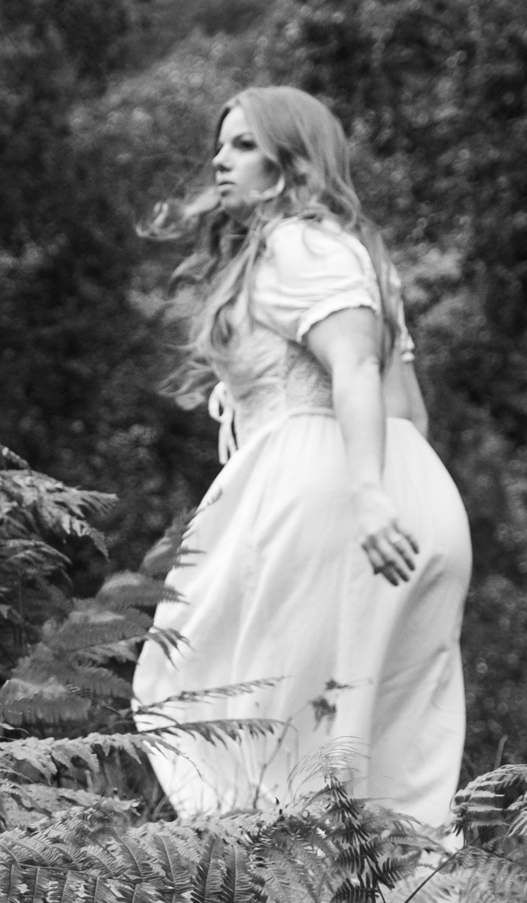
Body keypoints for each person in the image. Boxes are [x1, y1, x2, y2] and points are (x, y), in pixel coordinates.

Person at [132, 85, 470, 827]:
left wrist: (370, 497)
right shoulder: (357, 255)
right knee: (394, 771)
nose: (221, 159)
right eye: (220, 144)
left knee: (257, 738)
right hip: (415, 496)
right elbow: (406, 409)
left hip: (337, 498)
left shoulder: (299, 243)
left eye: (245, 144)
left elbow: (352, 367)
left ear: (292, 162)